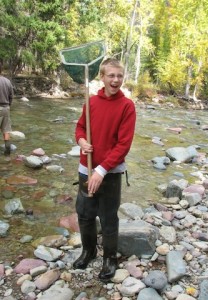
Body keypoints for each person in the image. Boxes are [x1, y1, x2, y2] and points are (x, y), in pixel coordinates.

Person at [73, 58, 136, 281]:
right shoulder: (90, 102)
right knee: (85, 213)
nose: (115, 80)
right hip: (85, 167)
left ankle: (110, 258)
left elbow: (123, 145)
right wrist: (81, 141)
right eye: (111, 75)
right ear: (102, 77)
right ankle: (88, 251)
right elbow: (80, 127)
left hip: (110, 172)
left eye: (119, 76)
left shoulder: (127, 106)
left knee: (109, 217)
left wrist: (101, 170)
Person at [0, 61, 13, 155]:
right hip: (5, 108)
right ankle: (7, 152)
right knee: (6, 130)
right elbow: (11, 96)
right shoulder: (7, 81)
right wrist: (9, 106)